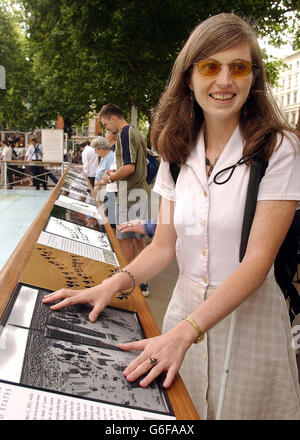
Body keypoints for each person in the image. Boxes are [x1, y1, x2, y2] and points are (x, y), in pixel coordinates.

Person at [42, 13, 300, 419]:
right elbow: (164, 246)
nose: (224, 80)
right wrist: (112, 285)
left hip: (249, 319)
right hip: (182, 310)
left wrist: (185, 333)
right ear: (189, 77)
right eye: (210, 67)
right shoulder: (177, 149)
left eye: (239, 67)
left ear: (254, 78)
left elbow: (257, 263)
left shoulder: (277, 148)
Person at [98, 103, 150, 296]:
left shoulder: (124, 134)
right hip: (138, 191)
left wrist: (109, 177)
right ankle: (142, 282)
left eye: (105, 124)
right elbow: (133, 166)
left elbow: (129, 168)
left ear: (113, 118)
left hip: (129, 194)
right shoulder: (134, 132)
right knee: (137, 238)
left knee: (125, 239)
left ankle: (128, 282)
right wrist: (116, 171)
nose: (106, 129)